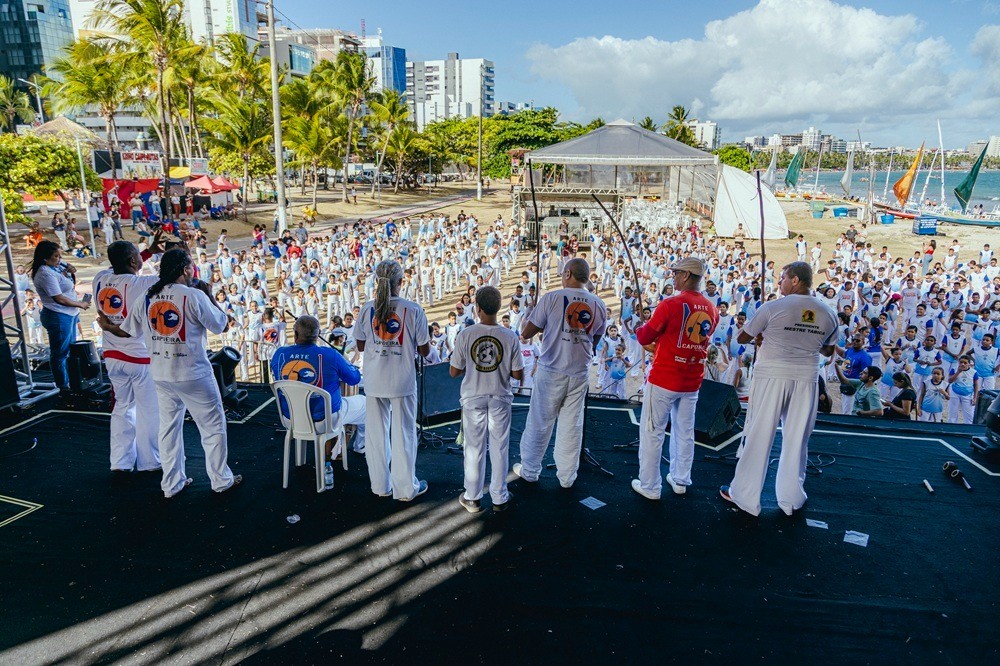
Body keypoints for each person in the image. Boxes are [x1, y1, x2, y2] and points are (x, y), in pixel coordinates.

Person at [119, 249, 242, 497]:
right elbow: (221, 325)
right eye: (191, 268)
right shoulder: (193, 295)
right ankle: (221, 480)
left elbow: (129, 330)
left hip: (161, 374)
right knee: (213, 427)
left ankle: (172, 483)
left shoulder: (147, 296)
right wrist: (209, 295)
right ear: (185, 270)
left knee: (168, 429)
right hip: (194, 374)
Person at [721, 262, 838, 517]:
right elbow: (828, 349)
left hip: (772, 374)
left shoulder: (772, 307)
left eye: (783, 277)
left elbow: (742, 337)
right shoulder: (828, 312)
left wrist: (764, 332)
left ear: (795, 280)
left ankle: (745, 496)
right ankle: (791, 499)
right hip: (806, 377)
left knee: (759, 433)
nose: (779, 282)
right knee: (797, 438)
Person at [513, 257, 608, 489]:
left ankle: (530, 471)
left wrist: (532, 312)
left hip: (551, 370)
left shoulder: (552, 297)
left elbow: (526, 333)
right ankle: (567, 477)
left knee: (539, 421)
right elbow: (595, 338)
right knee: (571, 425)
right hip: (579, 373)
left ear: (567, 274)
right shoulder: (599, 304)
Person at [632, 257, 719, 499]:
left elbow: (644, 337)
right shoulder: (712, 309)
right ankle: (680, 479)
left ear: (687, 276)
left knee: (652, 431)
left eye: (677, 273)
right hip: (692, 380)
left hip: (664, 378)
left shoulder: (670, 304)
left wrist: (640, 328)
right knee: (685, 430)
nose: (674, 277)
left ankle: (650, 486)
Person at [354, 260, 431, 501]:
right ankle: (405, 489)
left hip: (374, 380)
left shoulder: (367, 309)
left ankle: (380, 486)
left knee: (375, 435)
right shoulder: (413, 309)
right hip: (402, 380)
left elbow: (360, 345)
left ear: (377, 282)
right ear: (401, 282)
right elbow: (425, 350)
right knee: (404, 434)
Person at [449, 286, 524, 513]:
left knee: (474, 448)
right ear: (499, 308)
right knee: (500, 447)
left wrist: (473, 366)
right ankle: (499, 498)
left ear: (477, 308)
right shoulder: (510, 336)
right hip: (500, 396)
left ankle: (472, 497)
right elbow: (518, 374)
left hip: (473, 397)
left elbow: (454, 371)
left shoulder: (466, 334)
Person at [93, 241, 162, 473]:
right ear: (133, 261)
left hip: (112, 356)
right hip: (139, 358)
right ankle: (150, 461)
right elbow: (174, 276)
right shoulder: (142, 283)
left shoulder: (99, 279)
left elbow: (118, 266)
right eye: (138, 256)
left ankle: (120, 462)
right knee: (148, 410)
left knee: (122, 407)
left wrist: (148, 252)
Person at [270, 316, 366, 469]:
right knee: (365, 404)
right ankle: (360, 447)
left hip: (290, 419)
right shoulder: (331, 355)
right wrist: (346, 364)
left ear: (295, 334)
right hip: (326, 421)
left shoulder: (279, 354)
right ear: (318, 334)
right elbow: (354, 379)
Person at [30, 241, 91, 391]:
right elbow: (59, 298)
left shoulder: (56, 266)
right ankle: (63, 386)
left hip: (68, 314)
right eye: (56, 256)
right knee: (60, 354)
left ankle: (72, 382)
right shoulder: (45, 273)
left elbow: (69, 282)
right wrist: (80, 304)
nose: (60, 259)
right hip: (58, 315)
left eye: (60, 256)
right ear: (45, 258)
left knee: (70, 351)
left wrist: (71, 271)